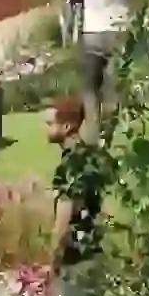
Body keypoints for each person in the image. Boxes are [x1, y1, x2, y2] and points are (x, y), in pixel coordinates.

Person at [46, 90, 110, 269]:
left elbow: (62, 222)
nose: (44, 128)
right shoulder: (91, 157)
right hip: (94, 252)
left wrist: (52, 263)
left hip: (74, 259)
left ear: (66, 127)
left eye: (50, 123)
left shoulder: (69, 166)